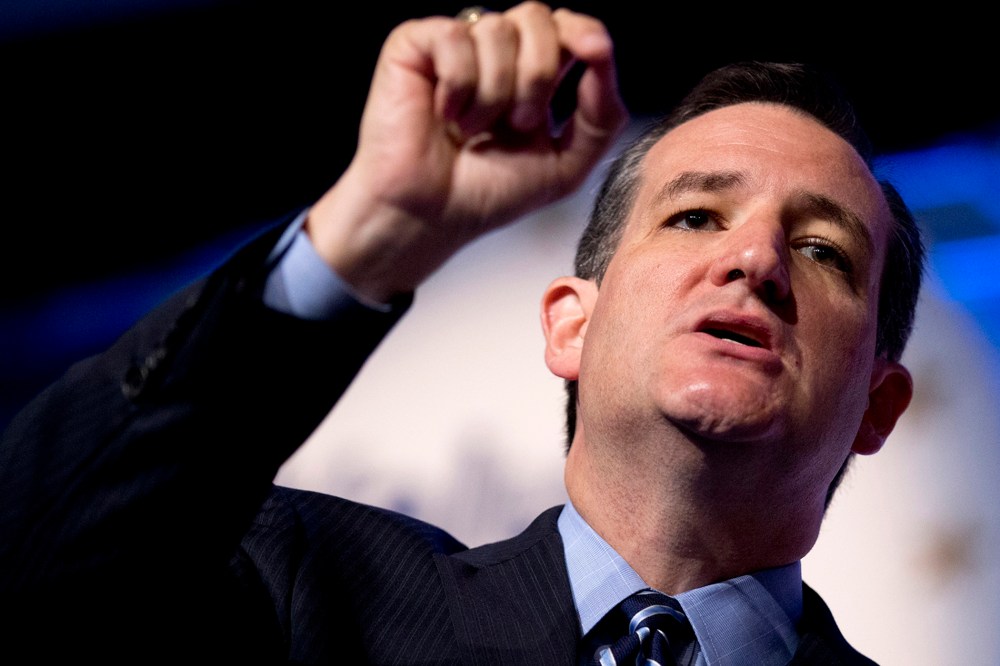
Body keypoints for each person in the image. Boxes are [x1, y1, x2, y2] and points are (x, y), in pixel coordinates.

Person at [0, 2, 923, 664]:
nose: (756, 257)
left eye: (822, 250)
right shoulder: (297, 587)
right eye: (693, 218)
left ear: (878, 406)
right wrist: (368, 235)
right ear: (572, 326)